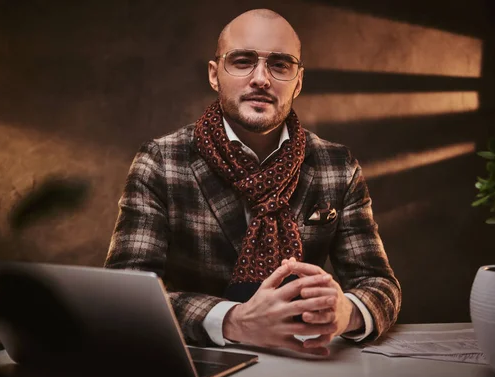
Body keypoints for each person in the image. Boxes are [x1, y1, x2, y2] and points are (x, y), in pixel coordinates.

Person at [104, 8, 401, 357]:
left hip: (307, 364)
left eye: (280, 64)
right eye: (242, 61)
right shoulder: (161, 162)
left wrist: (346, 312)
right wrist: (234, 320)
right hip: (196, 362)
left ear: (299, 81)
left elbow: (380, 285)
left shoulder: (336, 165)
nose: (261, 78)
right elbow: (124, 294)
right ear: (215, 75)